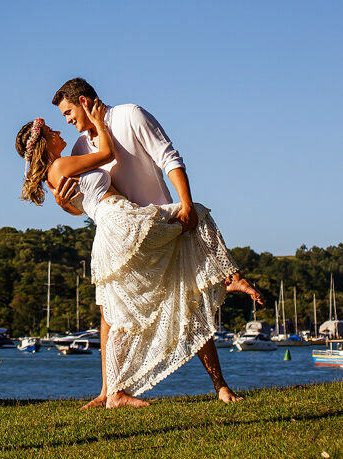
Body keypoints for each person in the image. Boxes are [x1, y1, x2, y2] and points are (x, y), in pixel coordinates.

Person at [15, 106, 263, 408]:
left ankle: (115, 392)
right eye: (51, 131)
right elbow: (107, 154)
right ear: (44, 143)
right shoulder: (63, 163)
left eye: (65, 115)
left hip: (111, 228)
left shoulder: (57, 173)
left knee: (119, 313)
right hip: (119, 221)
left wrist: (64, 204)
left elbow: (82, 203)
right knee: (194, 214)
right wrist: (99, 123)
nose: (60, 128)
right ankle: (230, 277)